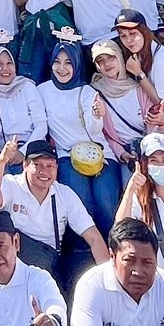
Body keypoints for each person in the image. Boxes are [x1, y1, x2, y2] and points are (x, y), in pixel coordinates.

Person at [0, 137, 109, 282]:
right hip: (16, 261)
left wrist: (107, 279)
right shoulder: (12, 184)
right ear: (25, 165)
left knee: (87, 267)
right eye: (37, 165)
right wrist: (2, 160)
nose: (44, 171)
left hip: (49, 261)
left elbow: (93, 237)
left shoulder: (64, 194)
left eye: (50, 166)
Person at [37, 38, 119, 230]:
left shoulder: (87, 91)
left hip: (100, 155)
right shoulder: (42, 91)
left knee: (106, 204)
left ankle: (112, 246)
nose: (62, 68)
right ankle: (84, 252)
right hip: (67, 155)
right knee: (82, 205)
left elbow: (94, 129)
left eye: (68, 63)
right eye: (57, 62)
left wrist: (98, 115)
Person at [89, 39, 154, 199]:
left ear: (119, 57)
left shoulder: (138, 88)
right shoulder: (95, 93)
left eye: (111, 58)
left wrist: (147, 149)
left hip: (147, 148)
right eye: (100, 61)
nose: (107, 64)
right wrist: (121, 153)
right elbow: (103, 134)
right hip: (125, 154)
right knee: (131, 194)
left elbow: (153, 120)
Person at [115, 132, 164, 267]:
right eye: (154, 160)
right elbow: (121, 225)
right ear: (145, 165)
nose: (160, 165)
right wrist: (130, 190)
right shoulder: (140, 198)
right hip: (155, 275)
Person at [0, 43, 47, 171]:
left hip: (33, 147)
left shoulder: (26, 86)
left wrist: (23, 152)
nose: (5, 68)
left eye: (9, 63)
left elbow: (41, 126)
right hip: (3, 151)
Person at [114, 9, 164, 121]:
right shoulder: (139, 55)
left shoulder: (163, 59)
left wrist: (139, 74)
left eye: (133, 33)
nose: (128, 40)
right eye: (123, 36)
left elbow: (163, 105)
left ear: (144, 32)